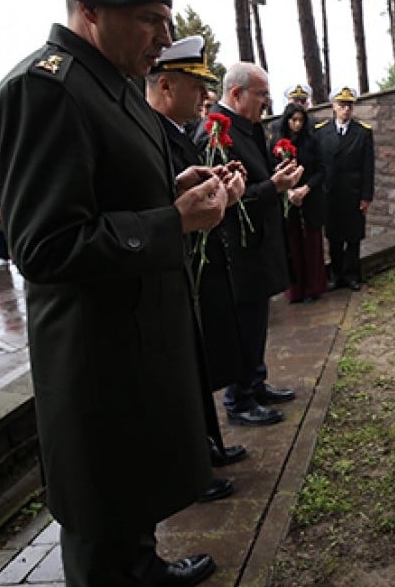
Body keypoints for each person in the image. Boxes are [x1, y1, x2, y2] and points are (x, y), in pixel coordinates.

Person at [0, 0, 228, 587]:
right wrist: (174, 222)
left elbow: (113, 197)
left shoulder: (111, 86)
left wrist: (176, 193)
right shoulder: (47, 91)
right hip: (95, 359)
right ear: (89, 10)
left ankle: (143, 567)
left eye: (166, 20)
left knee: (131, 496)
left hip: (135, 341)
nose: (164, 37)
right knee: (100, 515)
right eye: (150, 18)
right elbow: (43, 245)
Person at [145, 35, 250, 493]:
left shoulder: (173, 132)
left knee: (196, 369)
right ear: (166, 86)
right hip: (166, 272)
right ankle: (192, 468)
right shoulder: (150, 133)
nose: (206, 97)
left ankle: (204, 447)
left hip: (186, 270)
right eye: (196, 86)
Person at [212, 61, 304, 426]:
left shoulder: (247, 128)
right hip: (240, 249)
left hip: (259, 245)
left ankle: (256, 381)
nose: (268, 102)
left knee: (256, 323)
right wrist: (274, 188)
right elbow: (225, 200)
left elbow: (256, 180)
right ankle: (240, 398)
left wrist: (278, 178)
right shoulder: (217, 133)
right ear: (237, 93)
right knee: (243, 327)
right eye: (262, 94)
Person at [314, 85, 375, 291]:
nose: (346, 110)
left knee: (354, 237)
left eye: (349, 106)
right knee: (334, 237)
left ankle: (352, 275)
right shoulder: (321, 132)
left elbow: (368, 166)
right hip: (330, 194)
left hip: (353, 193)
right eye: (342, 105)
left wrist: (366, 196)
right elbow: (318, 164)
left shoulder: (363, 132)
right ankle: (336, 274)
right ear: (333, 106)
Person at [274, 99, 326, 302]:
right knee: (293, 246)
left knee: (312, 245)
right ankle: (295, 290)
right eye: (293, 120)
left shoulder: (311, 141)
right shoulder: (276, 142)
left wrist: (305, 189)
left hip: (309, 197)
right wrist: (288, 192)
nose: (297, 124)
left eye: (300, 120)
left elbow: (321, 170)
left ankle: (314, 287)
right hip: (288, 199)